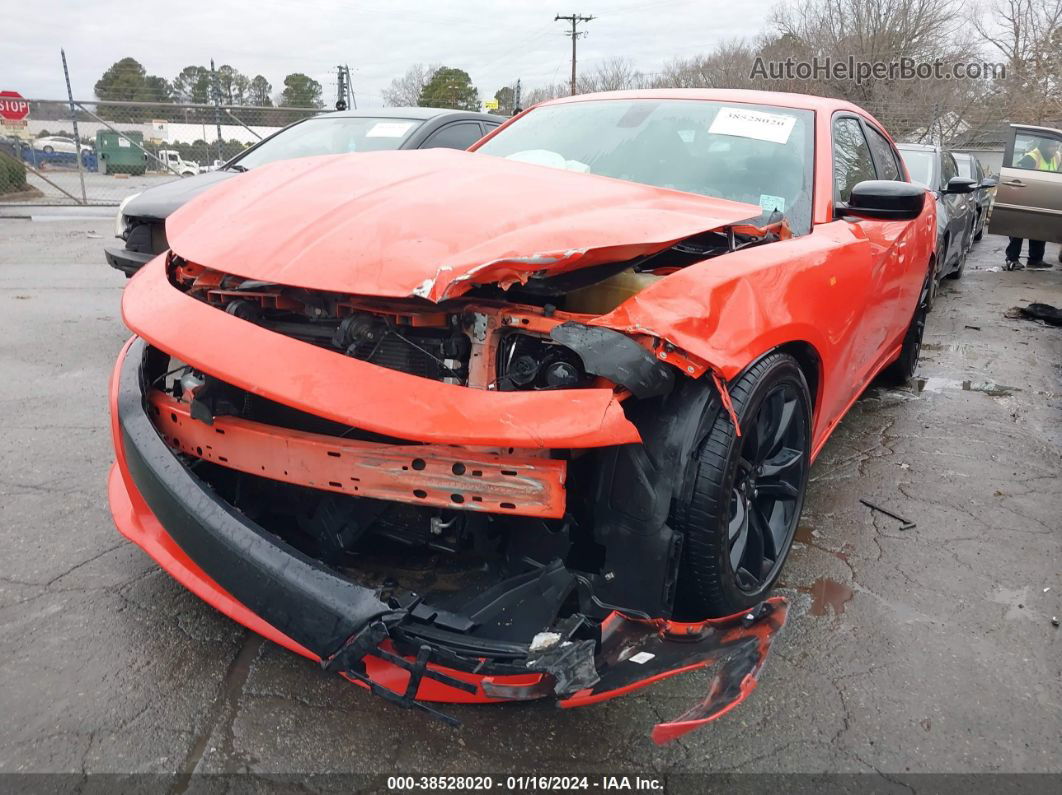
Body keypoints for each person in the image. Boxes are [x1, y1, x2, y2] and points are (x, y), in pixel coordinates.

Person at [1005, 137, 1060, 270]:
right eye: (1052, 146)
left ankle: (1035, 259)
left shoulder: (1057, 156)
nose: (1055, 149)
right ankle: (1012, 259)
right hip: (1027, 198)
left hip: (1044, 199)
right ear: (1044, 146)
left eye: (1056, 146)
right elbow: (1019, 176)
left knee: (1040, 230)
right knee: (1019, 230)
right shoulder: (1031, 158)